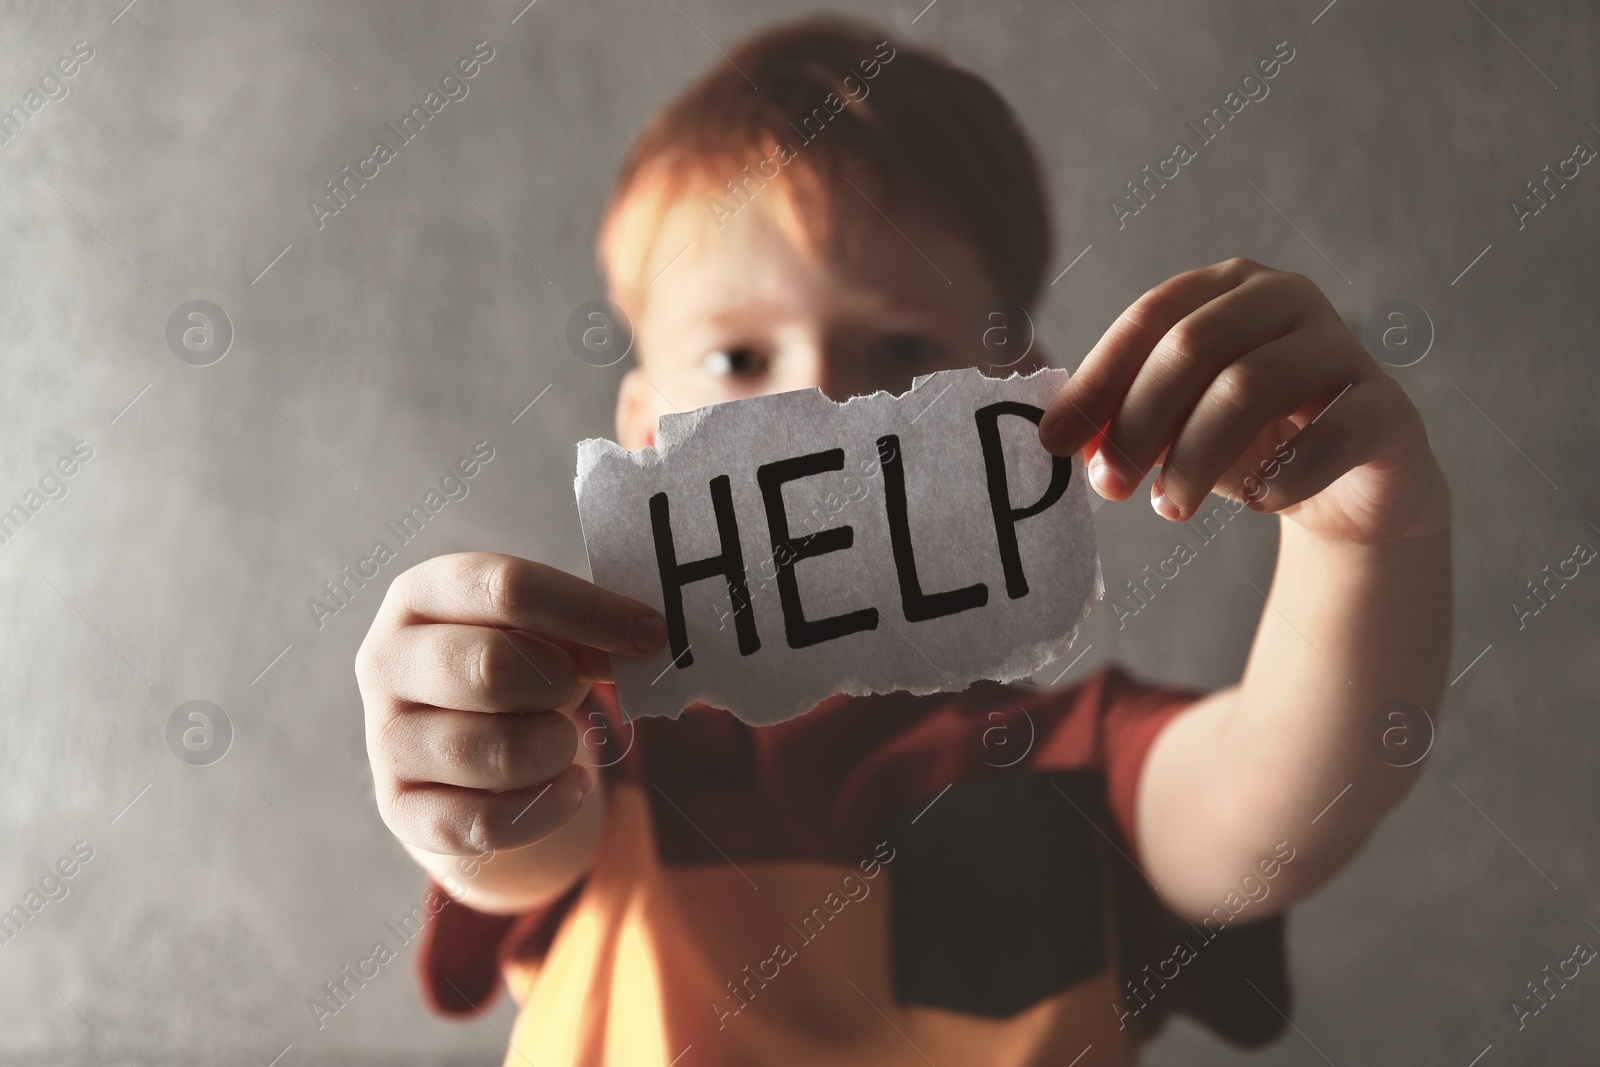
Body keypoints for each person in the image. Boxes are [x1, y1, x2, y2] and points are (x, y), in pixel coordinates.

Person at [353, 18, 1451, 1066]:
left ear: (1021, 399)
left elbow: (1284, 800)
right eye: (737, 358)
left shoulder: (1076, 767)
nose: (821, 397)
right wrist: (463, 761)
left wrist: (1358, 542)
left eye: (899, 345)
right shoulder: (598, 751)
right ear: (645, 434)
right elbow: (517, 833)